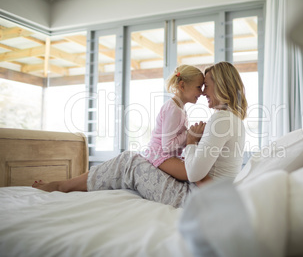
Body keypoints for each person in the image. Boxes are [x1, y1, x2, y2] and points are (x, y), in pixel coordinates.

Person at [33, 62, 248, 208]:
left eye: (207, 87)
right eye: (201, 87)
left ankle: (63, 186)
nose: (204, 93)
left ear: (221, 86)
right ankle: (66, 185)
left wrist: (191, 141)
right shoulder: (233, 119)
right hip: (206, 195)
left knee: (128, 161)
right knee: (130, 160)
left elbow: (194, 173)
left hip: (194, 199)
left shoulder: (221, 119)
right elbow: (202, 168)